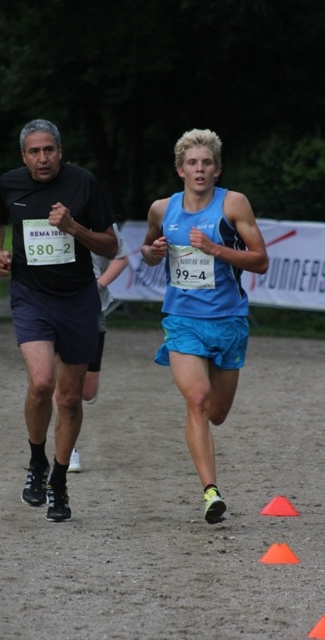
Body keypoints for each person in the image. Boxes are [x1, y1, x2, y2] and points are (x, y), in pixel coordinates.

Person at [0, 118, 117, 522]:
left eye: (49, 150)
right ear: (23, 156)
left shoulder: (83, 183)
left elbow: (111, 246)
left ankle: (58, 482)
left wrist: (73, 226)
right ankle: (36, 461)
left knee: (70, 398)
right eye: (34, 151)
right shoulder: (9, 184)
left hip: (78, 300)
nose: (42, 158)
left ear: (60, 152)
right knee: (42, 382)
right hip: (31, 297)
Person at [141, 128, 268, 524]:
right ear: (180, 170)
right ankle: (211, 491)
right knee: (197, 400)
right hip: (182, 320)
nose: (200, 169)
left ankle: (209, 464)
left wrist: (216, 249)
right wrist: (153, 251)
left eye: (207, 163)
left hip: (228, 321)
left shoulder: (233, 204)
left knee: (217, 413)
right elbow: (146, 250)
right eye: (192, 163)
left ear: (217, 169)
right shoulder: (162, 209)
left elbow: (261, 260)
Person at [68, 224, 128, 472]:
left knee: (86, 391)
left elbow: (121, 258)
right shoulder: (43, 211)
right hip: (52, 306)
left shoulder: (96, 214)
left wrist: (99, 284)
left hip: (91, 308)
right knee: (64, 387)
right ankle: (69, 449)